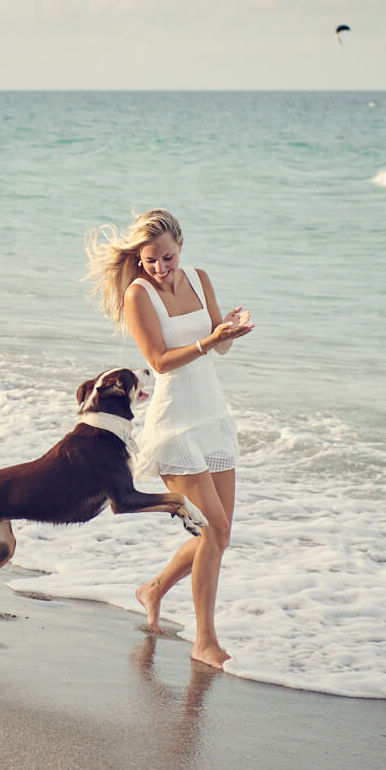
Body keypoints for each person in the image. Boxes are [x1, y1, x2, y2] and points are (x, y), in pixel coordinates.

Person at [86, 209, 252, 667]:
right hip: (175, 425)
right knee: (212, 529)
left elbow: (220, 345)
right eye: (150, 261)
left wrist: (229, 331)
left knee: (220, 534)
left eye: (167, 258)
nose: (160, 268)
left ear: (181, 246)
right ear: (139, 260)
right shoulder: (139, 295)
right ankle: (204, 641)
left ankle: (153, 589)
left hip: (213, 417)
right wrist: (206, 341)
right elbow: (158, 361)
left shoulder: (199, 279)